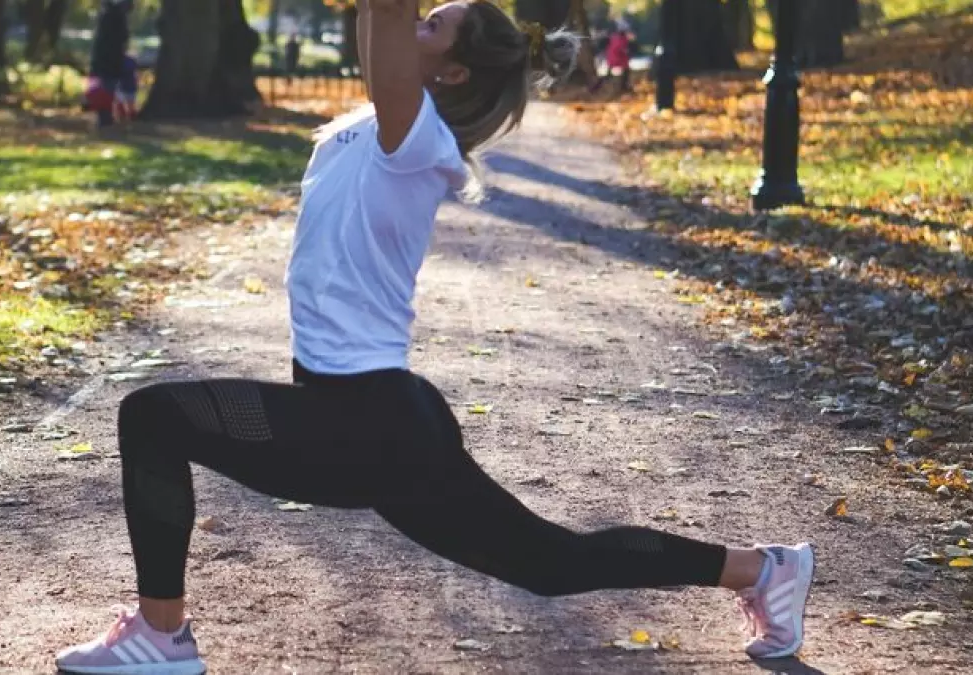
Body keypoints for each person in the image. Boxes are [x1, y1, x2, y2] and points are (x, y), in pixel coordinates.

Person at [55, 2, 815, 673]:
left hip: (363, 421)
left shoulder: (414, 136)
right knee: (549, 561)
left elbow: (385, 16)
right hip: (371, 417)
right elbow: (375, 25)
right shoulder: (377, 119)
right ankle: (761, 570)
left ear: (449, 73)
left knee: (152, 418)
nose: (412, 24)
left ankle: (162, 637)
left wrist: (392, 17)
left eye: (432, 23)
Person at [88, 0, 133, 128]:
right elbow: (123, 38)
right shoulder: (118, 18)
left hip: (105, 60)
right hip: (113, 60)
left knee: (106, 89)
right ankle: (106, 117)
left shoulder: (106, 16)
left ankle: (105, 117)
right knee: (109, 89)